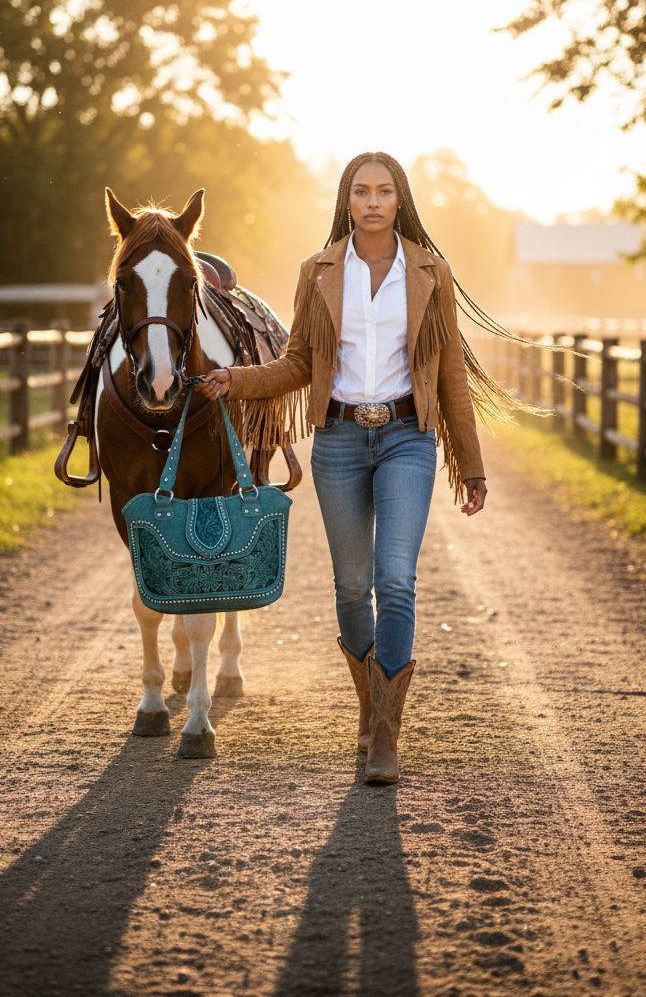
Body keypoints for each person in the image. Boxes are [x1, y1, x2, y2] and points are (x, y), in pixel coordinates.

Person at [198, 150, 491, 784]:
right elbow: (298, 362)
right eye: (362, 191)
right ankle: (368, 707)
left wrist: (471, 465)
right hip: (337, 442)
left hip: (407, 438)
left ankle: (386, 733)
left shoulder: (431, 272)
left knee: (397, 580)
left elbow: (451, 378)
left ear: (399, 199)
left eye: (385, 190)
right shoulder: (319, 271)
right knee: (352, 587)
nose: (374, 201)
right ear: (348, 200)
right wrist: (235, 379)